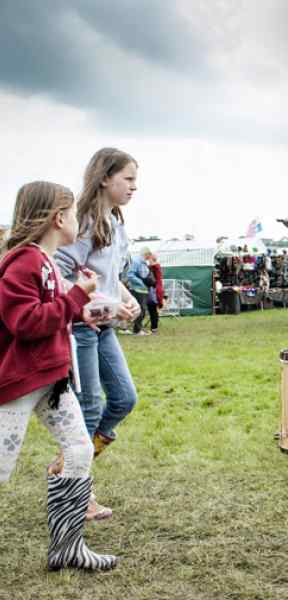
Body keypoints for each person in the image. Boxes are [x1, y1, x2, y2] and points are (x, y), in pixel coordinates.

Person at [0, 181, 117, 570]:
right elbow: (26, 322)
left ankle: (67, 547)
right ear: (58, 218)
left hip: (51, 379)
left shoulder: (46, 260)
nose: (78, 222)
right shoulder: (23, 262)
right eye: (72, 212)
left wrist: (82, 309)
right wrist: (76, 298)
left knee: (80, 450)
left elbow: (54, 312)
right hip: (19, 383)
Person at [54, 147, 141, 520]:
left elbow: (108, 276)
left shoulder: (115, 222)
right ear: (105, 178)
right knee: (88, 408)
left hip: (104, 329)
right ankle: (77, 494)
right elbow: (61, 273)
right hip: (81, 327)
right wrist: (105, 301)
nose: (134, 187)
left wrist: (128, 296)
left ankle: (67, 463)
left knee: (123, 398)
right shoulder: (84, 222)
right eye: (129, 178)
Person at [127, 247, 152, 335]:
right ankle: (137, 330)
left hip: (142, 290)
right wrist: (141, 283)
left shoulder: (143, 263)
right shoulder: (137, 262)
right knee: (141, 310)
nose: (150, 257)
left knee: (142, 310)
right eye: (150, 255)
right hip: (137, 289)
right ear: (147, 254)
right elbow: (130, 275)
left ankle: (137, 328)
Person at [146, 252, 164, 334]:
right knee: (154, 310)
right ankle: (154, 328)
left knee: (152, 310)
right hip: (157, 289)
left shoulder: (154, 267)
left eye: (149, 258)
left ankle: (154, 328)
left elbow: (151, 279)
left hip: (154, 290)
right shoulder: (157, 266)